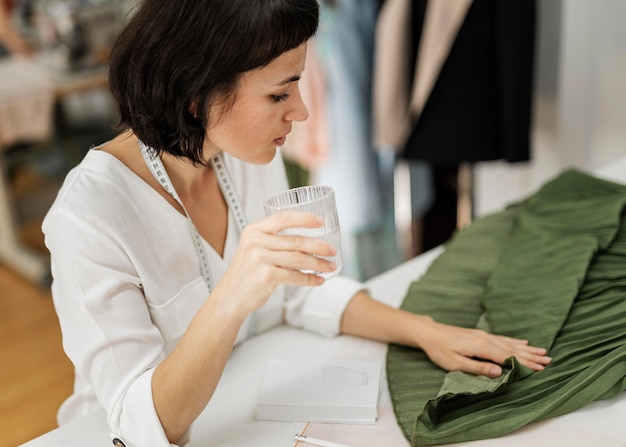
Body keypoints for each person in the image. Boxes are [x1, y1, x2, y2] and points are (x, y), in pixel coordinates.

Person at [42, 1, 552, 446]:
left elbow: (299, 294)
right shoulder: (89, 216)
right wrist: (233, 293)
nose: (303, 112)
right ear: (196, 97)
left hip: (250, 403)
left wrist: (425, 331)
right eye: (280, 95)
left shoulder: (235, 152)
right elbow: (139, 425)